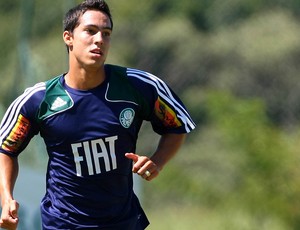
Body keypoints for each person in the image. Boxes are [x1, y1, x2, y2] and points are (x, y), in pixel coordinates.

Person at [0, 0, 196, 229]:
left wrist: (157, 162)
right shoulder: (39, 99)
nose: (99, 40)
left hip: (122, 222)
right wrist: (7, 199)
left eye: (106, 33)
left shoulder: (139, 86)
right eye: (90, 31)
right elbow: (6, 148)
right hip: (63, 223)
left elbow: (177, 126)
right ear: (68, 37)